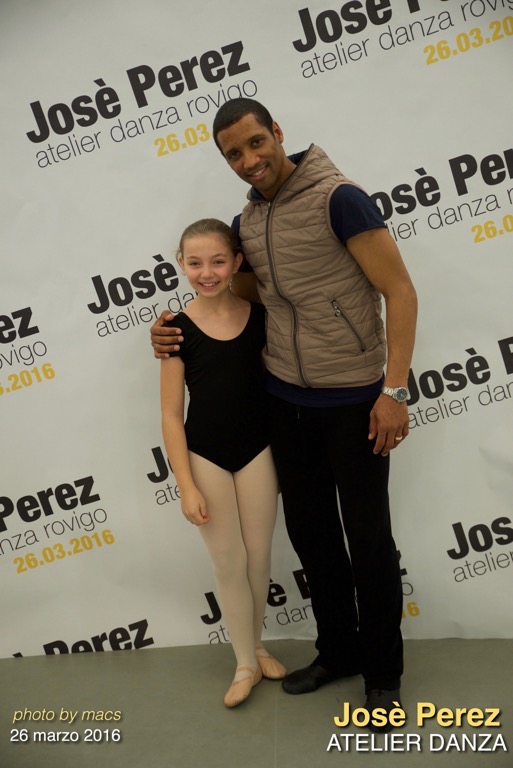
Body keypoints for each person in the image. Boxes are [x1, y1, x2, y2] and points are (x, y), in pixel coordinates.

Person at [153, 100, 418, 732]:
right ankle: (339, 651)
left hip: (354, 401)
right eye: (233, 154)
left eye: (255, 142)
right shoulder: (247, 221)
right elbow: (244, 292)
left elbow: (400, 291)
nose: (249, 160)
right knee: (313, 538)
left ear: (277, 133)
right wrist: (174, 327)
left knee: (368, 540)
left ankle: (383, 676)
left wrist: (395, 390)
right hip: (285, 403)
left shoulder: (340, 200)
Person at [160, 217, 285, 708]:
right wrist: (186, 485)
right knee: (229, 561)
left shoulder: (261, 318)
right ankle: (244, 664)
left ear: (236, 262)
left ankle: (256, 644)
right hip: (205, 456)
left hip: (257, 451)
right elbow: (171, 416)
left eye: (217, 261)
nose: (207, 272)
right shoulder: (175, 331)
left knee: (259, 558)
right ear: (181, 265)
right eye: (195, 263)